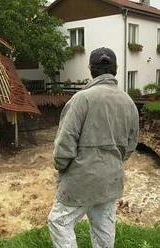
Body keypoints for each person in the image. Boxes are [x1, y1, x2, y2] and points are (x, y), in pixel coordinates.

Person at [48, 47, 139, 248]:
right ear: (115, 69)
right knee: (103, 226)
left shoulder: (82, 99)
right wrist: (113, 161)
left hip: (80, 178)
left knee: (59, 222)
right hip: (111, 177)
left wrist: (62, 170)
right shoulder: (129, 103)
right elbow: (131, 145)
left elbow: (64, 144)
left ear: (91, 69)